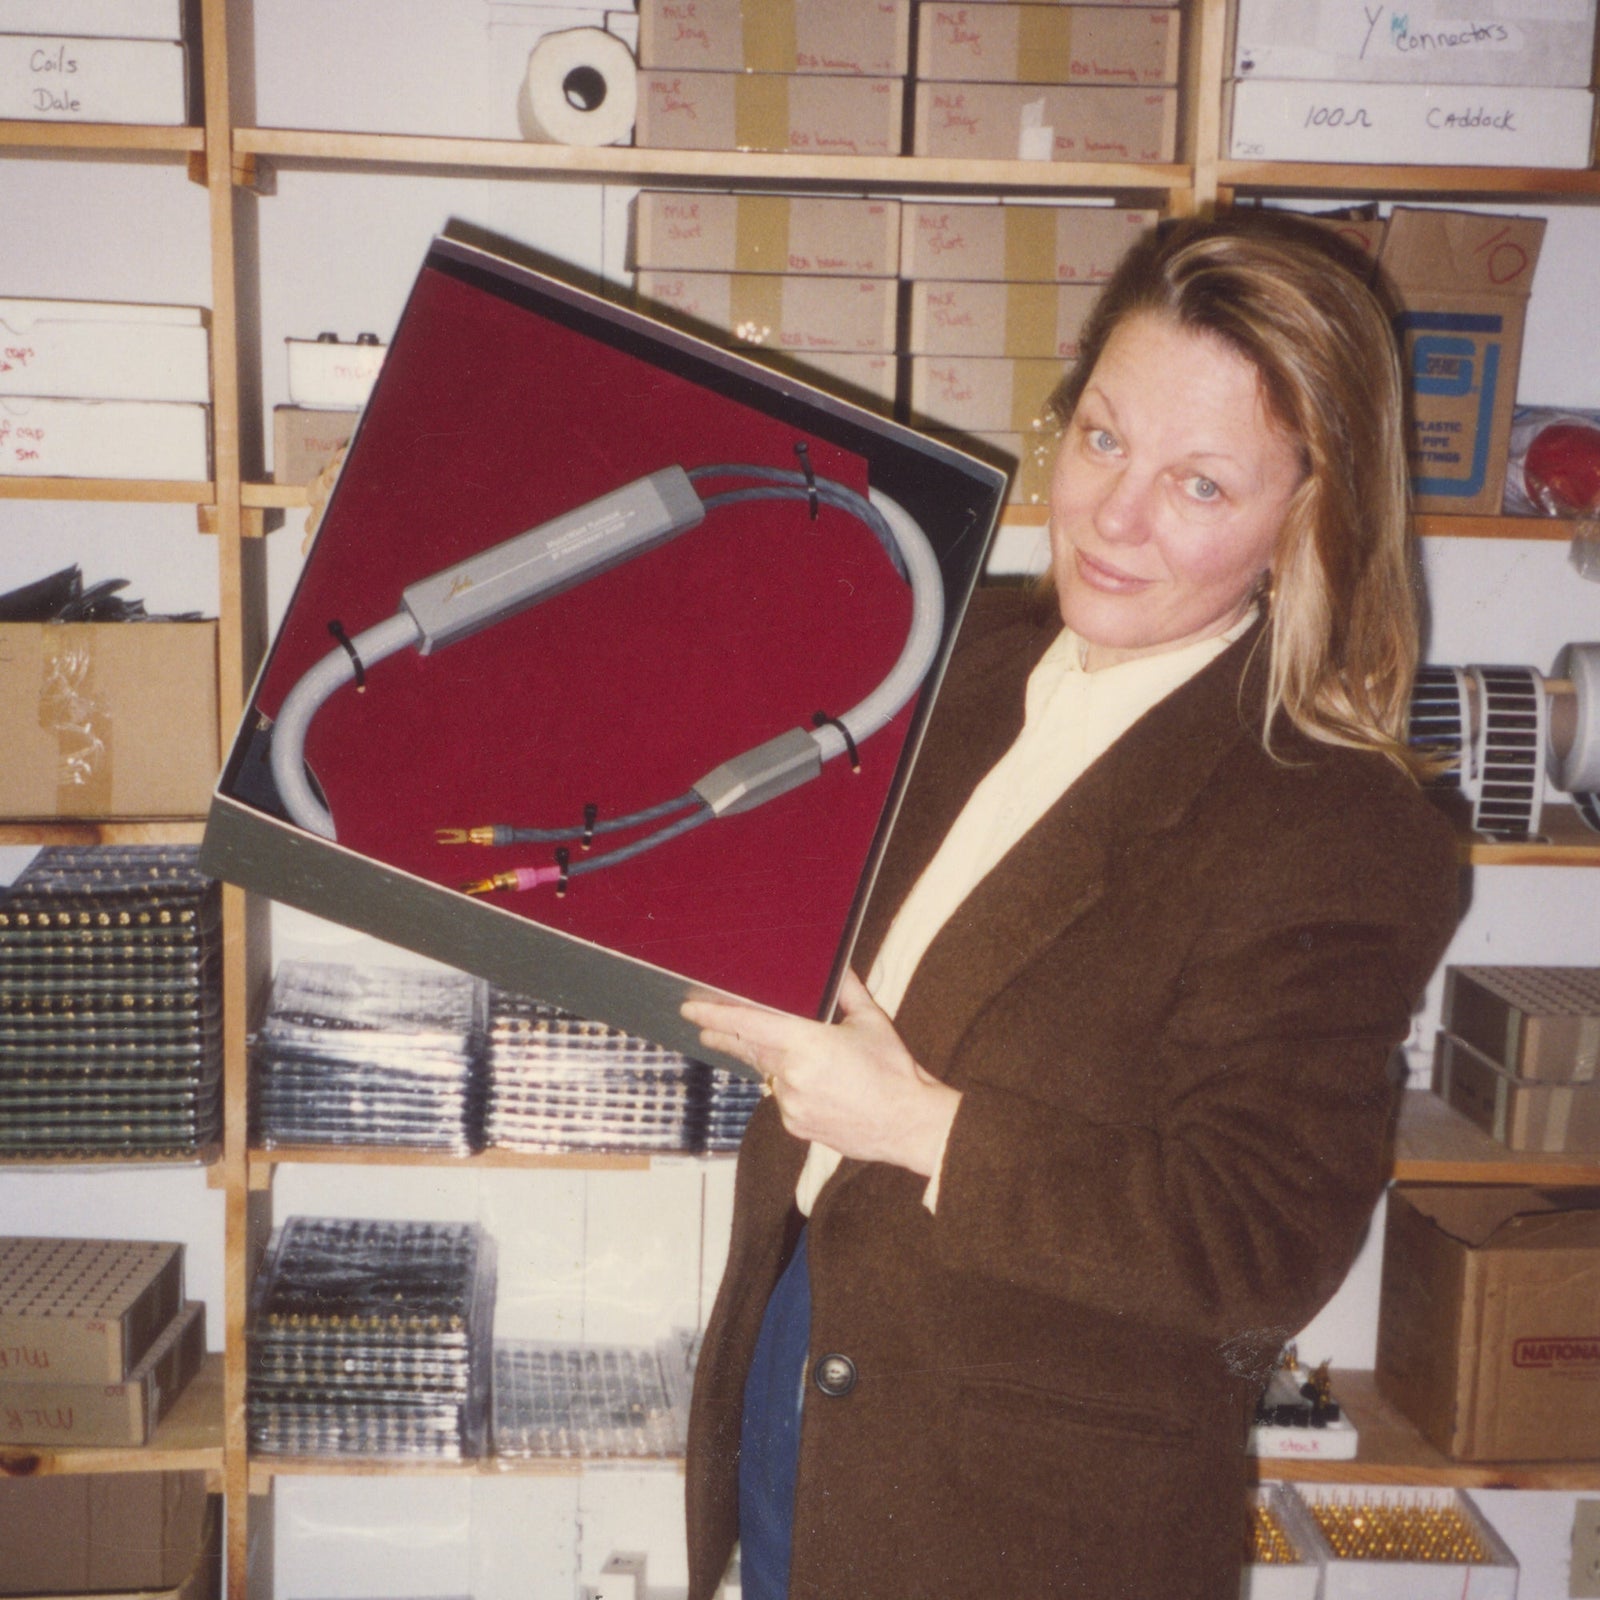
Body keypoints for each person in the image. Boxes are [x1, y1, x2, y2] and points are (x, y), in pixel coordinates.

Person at [680, 212, 1461, 1600]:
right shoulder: (970, 650)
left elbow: (1259, 1244)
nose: (1112, 514)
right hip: (810, 1360)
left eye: (1202, 485)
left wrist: (916, 1124)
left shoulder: (1337, 823)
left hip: (1027, 1515)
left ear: (1310, 517)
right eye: (1101, 438)